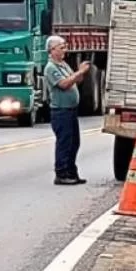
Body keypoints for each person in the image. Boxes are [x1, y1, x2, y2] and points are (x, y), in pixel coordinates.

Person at [43, 35, 89, 185]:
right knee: (64, 143)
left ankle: (71, 172)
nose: (65, 50)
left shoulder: (63, 65)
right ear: (52, 50)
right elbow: (64, 84)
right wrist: (79, 72)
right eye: (61, 48)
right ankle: (61, 173)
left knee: (74, 143)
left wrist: (80, 73)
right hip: (61, 111)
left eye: (65, 47)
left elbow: (75, 80)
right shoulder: (51, 68)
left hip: (71, 110)